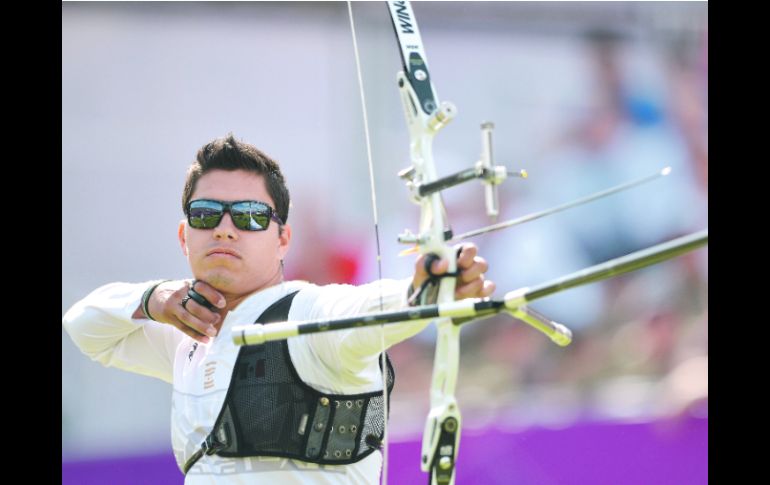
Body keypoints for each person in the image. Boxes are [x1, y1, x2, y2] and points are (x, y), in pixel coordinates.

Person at [62, 134, 495, 484]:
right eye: (206, 214)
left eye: (250, 216)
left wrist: (425, 292)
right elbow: (83, 326)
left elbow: (361, 310)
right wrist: (153, 298)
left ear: (283, 239)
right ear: (183, 236)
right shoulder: (188, 335)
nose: (225, 230)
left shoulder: (307, 315)